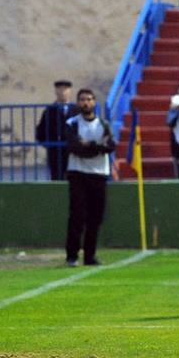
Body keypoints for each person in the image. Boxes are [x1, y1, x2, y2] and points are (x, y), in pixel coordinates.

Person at [64, 88, 115, 267]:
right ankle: (72, 255)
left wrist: (91, 145)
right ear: (78, 103)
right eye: (82, 100)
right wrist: (96, 148)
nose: (86, 103)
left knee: (95, 217)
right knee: (77, 215)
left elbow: (110, 146)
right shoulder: (72, 123)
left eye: (89, 99)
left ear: (94, 102)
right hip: (77, 173)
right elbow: (74, 147)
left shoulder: (103, 124)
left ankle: (90, 255)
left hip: (99, 174)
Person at [34, 80, 77, 181]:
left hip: (74, 153)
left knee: (75, 180)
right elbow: (41, 132)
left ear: (70, 91)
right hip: (55, 153)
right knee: (57, 180)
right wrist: (50, 145)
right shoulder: (49, 110)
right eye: (59, 89)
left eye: (65, 89)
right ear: (55, 91)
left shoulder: (76, 110)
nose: (62, 92)